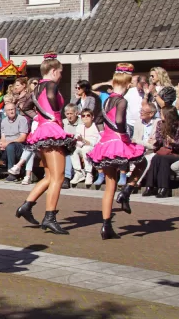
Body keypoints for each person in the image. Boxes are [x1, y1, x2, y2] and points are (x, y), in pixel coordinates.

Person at [15, 53, 75, 235]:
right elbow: (52, 105)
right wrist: (52, 117)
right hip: (52, 131)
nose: (61, 76)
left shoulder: (36, 89)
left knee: (49, 176)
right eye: (61, 72)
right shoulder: (50, 85)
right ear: (54, 71)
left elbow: (24, 107)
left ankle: (26, 205)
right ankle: (49, 217)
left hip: (42, 132)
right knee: (58, 177)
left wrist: (40, 119)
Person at [86, 64, 147, 239]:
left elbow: (98, 119)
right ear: (127, 84)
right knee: (143, 162)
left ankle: (106, 226)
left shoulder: (106, 99)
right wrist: (122, 134)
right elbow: (120, 120)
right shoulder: (122, 100)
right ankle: (127, 190)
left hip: (105, 143)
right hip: (118, 140)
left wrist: (104, 135)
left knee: (109, 186)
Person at [141, 106, 179, 198]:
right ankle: (150, 186)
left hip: (177, 152)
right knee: (156, 158)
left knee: (164, 159)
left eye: (162, 113)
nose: (160, 115)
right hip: (165, 151)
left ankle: (164, 188)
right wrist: (155, 141)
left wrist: (173, 142)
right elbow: (159, 139)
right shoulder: (160, 123)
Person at [0, 102, 29, 183]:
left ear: (15, 110)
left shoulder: (22, 119)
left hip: (19, 145)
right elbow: (3, 137)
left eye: (12, 109)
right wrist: (1, 144)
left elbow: (22, 138)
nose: (11, 111)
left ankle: (12, 173)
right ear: (5, 112)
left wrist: (7, 143)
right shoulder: (4, 121)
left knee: (10, 146)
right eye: (9, 110)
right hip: (8, 144)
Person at [71, 108, 99, 186]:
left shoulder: (95, 127)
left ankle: (89, 173)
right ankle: (78, 172)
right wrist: (78, 141)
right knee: (73, 150)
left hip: (93, 148)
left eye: (88, 115)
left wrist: (83, 140)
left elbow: (95, 143)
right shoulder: (80, 127)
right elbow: (78, 140)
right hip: (82, 146)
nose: (85, 117)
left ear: (92, 117)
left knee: (85, 149)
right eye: (83, 116)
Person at [60, 103, 81, 189]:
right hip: (65, 146)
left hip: (78, 146)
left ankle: (67, 177)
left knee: (69, 154)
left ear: (76, 113)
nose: (69, 116)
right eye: (67, 114)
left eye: (71, 114)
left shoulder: (81, 122)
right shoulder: (63, 122)